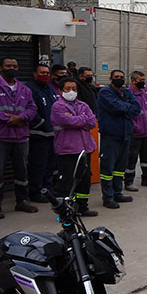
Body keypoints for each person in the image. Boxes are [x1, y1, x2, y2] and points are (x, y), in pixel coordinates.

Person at [51, 77, 98, 217]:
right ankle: (65, 210)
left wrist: (77, 119)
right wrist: (81, 119)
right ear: (60, 91)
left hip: (85, 148)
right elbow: (66, 121)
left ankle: (82, 207)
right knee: (66, 181)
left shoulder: (83, 105)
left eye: (74, 89)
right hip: (67, 149)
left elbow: (92, 122)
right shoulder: (57, 106)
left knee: (85, 179)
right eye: (68, 89)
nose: (71, 92)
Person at [0, 57, 39, 219]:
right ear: (1, 67)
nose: (12, 68)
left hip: (21, 136)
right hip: (1, 135)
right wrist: (8, 119)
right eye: (8, 66)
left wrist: (21, 118)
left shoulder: (24, 89)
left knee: (22, 170)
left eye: (15, 66)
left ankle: (22, 200)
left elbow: (32, 108)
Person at [96, 69, 140, 209]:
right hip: (110, 136)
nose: (119, 79)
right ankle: (108, 197)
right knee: (107, 168)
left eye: (121, 77)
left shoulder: (127, 92)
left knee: (120, 168)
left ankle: (117, 192)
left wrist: (124, 108)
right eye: (116, 77)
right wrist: (126, 108)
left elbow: (136, 109)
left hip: (125, 135)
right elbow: (115, 107)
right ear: (110, 79)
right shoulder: (105, 93)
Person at [26, 64, 58, 203]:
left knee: (50, 165)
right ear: (34, 73)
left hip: (52, 135)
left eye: (47, 72)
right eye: (42, 72)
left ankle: (48, 190)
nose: (45, 75)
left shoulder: (49, 89)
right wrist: (44, 124)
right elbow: (32, 111)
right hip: (38, 135)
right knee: (38, 165)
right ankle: (36, 192)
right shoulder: (30, 89)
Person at [124, 71, 147, 192]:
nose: (143, 82)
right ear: (133, 81)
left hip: (146, 132)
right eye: (141, 80)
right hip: (135, 133)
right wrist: (135, 127)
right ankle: (128, 181)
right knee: (131, 158)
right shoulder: (128, 94)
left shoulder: (144, 94)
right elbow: (127, 114)